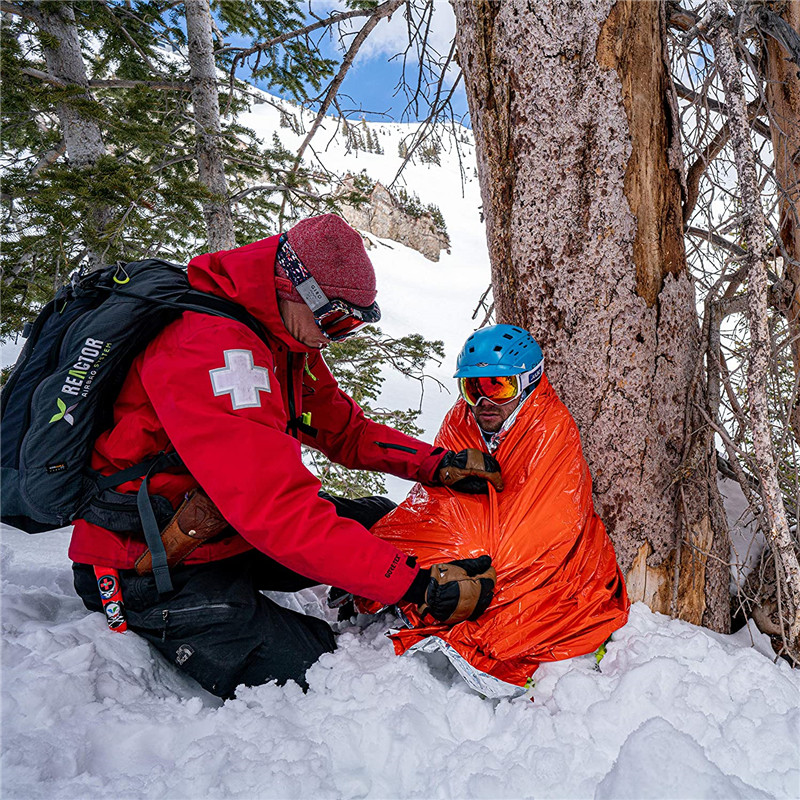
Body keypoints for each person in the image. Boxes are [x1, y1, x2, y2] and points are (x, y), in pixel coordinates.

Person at [70, 214, 501, 698]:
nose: (336, 337)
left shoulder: (283, 336)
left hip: (225, 534)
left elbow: (344, 430)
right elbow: (277, 510)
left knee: (386, 524)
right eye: (335, 319)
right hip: (148, 565)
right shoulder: (210, 348)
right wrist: (413, 586)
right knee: (325, 671)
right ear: (290, 286)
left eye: (354, 324)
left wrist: (434, 463)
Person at [369, 324, 630, 688]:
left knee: (512, 610)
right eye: (472, 387)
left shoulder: (550, 428)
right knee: (387, 551)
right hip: (477, 537)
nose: (483, 401)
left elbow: (548, 524)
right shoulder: (461, 418)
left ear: (530, 382)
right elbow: (435, 504)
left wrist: (485, 571)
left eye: (498, 385)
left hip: (538, 556)